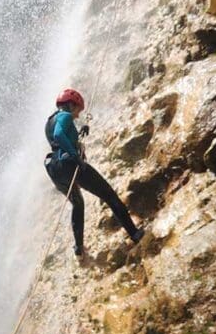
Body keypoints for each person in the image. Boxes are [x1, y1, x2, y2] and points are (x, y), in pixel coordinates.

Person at [44, 88, 145, 257]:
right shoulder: (65, 115)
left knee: (77, 204)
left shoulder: (49, 122)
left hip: (54, 169)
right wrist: (76, 157)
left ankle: (79, 248)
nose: (77, 115)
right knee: (109, 195)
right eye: (77, 110)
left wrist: (78, 134)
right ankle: (134, 233)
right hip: (69, 164)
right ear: (70, 105)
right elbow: (60, 135)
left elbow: (59, 139)